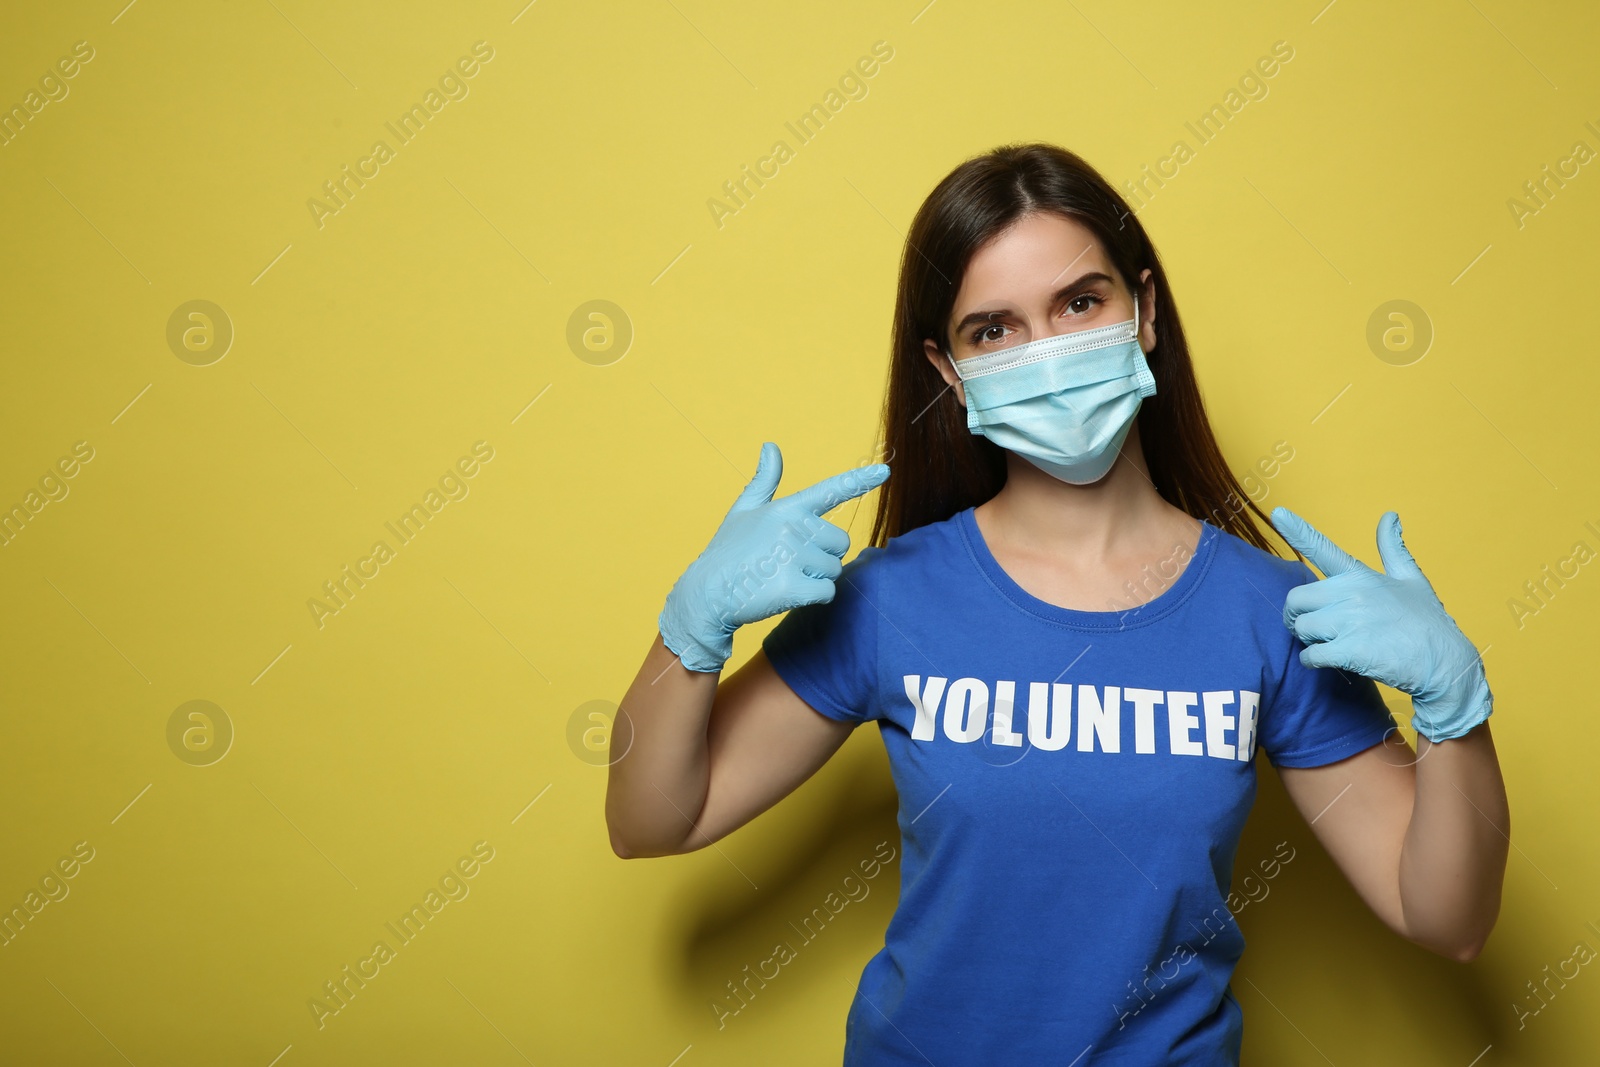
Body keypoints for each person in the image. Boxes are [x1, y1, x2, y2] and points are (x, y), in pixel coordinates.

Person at [605, 142, 1509, 1066]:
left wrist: (1456, 708)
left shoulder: (1271, 612)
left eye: (1081, 302)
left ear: (1144, 311)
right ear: (949, 370)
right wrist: (690, 631)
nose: (1049, 352)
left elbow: (1446, 916)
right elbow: (650, 821)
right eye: (993, 329)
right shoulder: (886, 599)